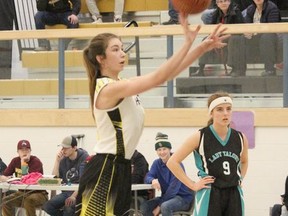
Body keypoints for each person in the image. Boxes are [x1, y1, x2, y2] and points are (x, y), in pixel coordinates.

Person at [74, 12, 229, 216]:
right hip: (105, 168)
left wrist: (200, 47)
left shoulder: (121, 84)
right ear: (100, 58)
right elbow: (158, 77)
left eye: (122, 48)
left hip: (120, 167)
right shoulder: (108, 89)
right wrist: (187, 44)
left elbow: (168, 74)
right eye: (115, 49)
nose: (122, 53)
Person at [167, 91, 249, 216]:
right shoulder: (200, 136)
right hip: (210, 192)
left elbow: (244, 161)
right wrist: (193, 185)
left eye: (228, 109)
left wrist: (240, 179)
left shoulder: (240, 137)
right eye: (220, 109)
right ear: (211, 113)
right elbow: (172, 162)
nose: (225, 113)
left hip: (234, 193)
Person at [140, 132, 194, 216]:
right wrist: (152, 180)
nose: (162, 152)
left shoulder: (177, 163)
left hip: (182, 198)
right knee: (144, 207)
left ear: (169, 149)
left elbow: (173, 190)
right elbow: (148, 176)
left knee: (165, 206)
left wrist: (159, 206)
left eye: (164, 149)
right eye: (159, 150)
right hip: (166, 197)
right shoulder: (157, 163)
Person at [193, 0, 246, 77]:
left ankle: (235, 69)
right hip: (220, 37)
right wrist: (215, 37)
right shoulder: (215, 14)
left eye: (225, 1)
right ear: (217, 4)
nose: (223, 3)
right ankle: (201, 68)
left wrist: (225, 36)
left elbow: (240, 30)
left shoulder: (236, 12)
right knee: (206, 40)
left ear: (229, 2)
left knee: (234, 39)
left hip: (233, 36)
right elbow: (212, 30)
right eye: (220, 2)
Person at [42, 135, 89, 216]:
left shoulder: (84, 157)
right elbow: (55, 178)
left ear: (74, 148)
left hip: (78, 193)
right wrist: (57, 161)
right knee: (47, 206)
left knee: (68, 207)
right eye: (62, 148)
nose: (63, 150)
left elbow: (83, 183)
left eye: (66, 148)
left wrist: (73, 196)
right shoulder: (63, 159)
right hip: (66, 193)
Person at [0, 140, 48, 216]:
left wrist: (23, 163)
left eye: (27, 150)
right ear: (18, 152)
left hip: (39, 193)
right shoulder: (15, 161)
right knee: (5, 201)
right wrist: (5, 178)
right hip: (22, 193)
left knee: (29, 201)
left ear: (30, 151)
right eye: (22, 150)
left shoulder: (36, 161)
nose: (24, 152)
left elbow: (28, 180)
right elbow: (4, 175)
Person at [244, 0, 282, 76]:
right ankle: (238, 69)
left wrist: (254, 32)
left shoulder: (272, 8)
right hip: (255, 36)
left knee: (266, 38)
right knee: (238, 38)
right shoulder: (250, 9)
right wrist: (247, 32)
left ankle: (270, 69)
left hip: (271, 37)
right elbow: (247, 25)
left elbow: (272, 28)